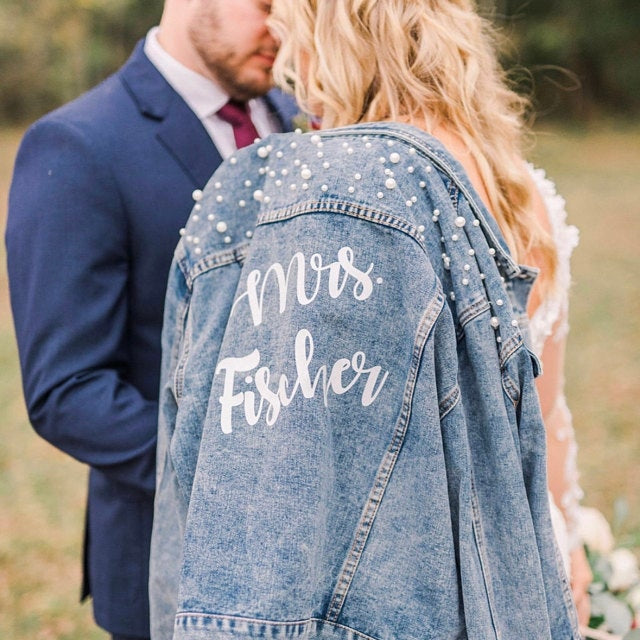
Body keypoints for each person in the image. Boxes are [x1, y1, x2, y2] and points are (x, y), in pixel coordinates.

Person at [150, 0, 588, 638]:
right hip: (524, 535)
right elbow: (545, 414)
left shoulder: (348, 197)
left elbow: (334, 453)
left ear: (332, 42)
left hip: (413, 562)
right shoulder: (524, 190)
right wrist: (563, 540)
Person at [5, 1, 296, 638]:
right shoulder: (79, 144)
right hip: (172, 567)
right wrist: (250, 475)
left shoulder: (300, 120)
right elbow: (67, 391)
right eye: (267, 4)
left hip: (315, 569)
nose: (284, 26)